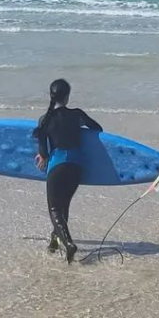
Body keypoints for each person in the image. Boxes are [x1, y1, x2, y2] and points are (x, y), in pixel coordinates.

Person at [33, 78, 103, 263]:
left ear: (51, 96)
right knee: (63, 206)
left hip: (57, 167)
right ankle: (54, 241)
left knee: (55, 209)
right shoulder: (77, 114)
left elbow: (43, 152)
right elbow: (97, 128)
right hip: (76, 167)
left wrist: (42, 157)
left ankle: (69, 244)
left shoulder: (45, 120)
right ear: (67, 97)